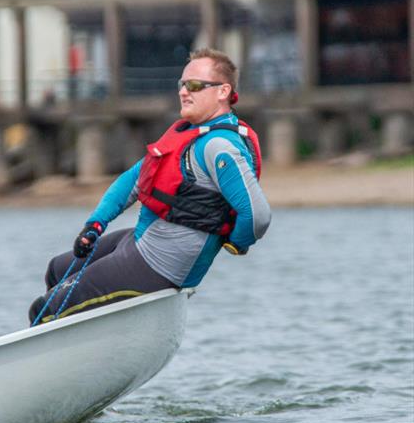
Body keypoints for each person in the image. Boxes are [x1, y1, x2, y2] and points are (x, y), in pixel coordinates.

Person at [29, 48, 271, 324]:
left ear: (223, 91)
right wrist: (96, 224)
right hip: (140, 242)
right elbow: (131, 180)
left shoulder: (220, 147)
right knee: (56, 270)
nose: (183, 92)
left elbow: (258, 216)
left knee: (44, 310)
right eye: (182, 84)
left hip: (157, 266)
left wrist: (237, 243)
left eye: (194, 85)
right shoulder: (188, 135)